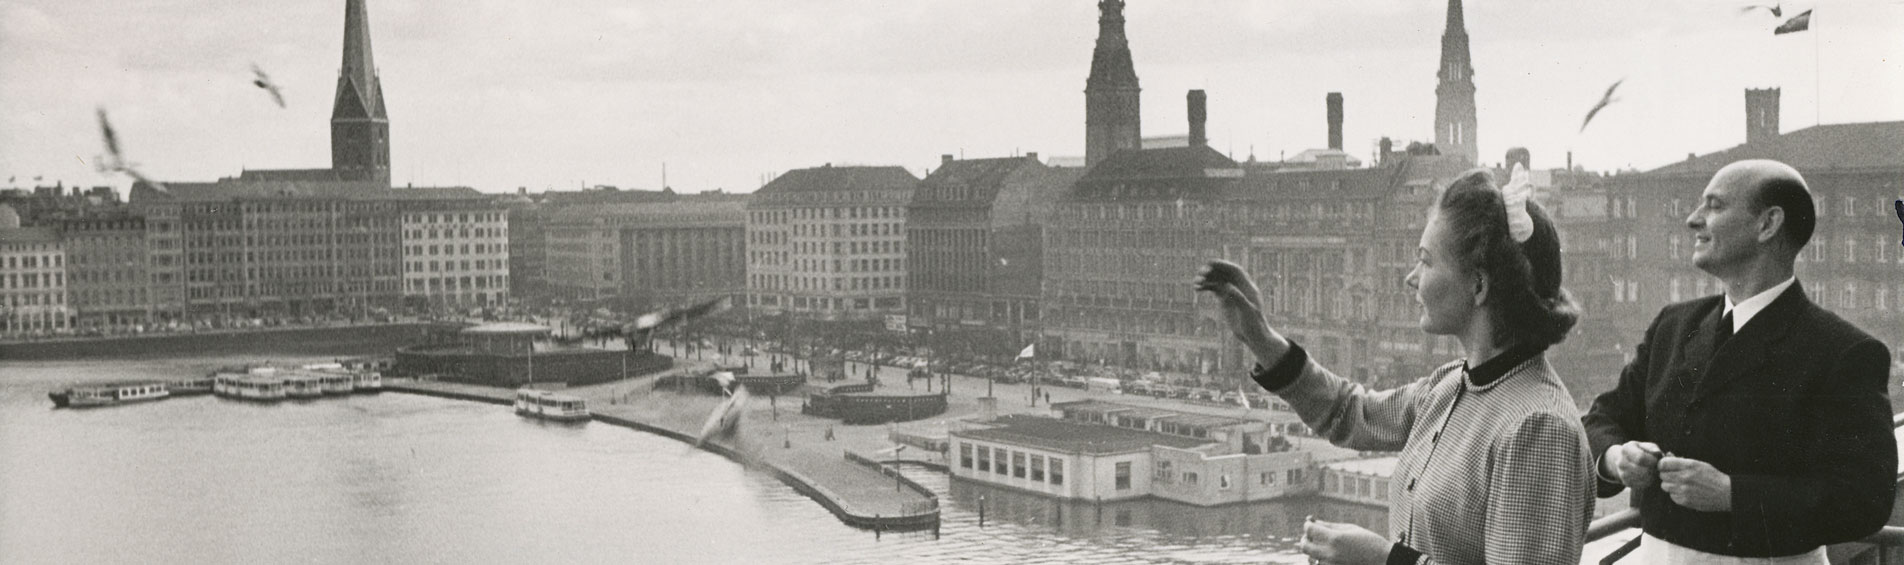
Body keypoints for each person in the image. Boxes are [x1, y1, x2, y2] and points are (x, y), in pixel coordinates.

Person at [1199, 167, 1592, 564]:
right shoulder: (1451, 384)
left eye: (1426, 261)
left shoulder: (1539, 427)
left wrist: (1383, 560)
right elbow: (1349, 413)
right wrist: (1259, 337)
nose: (1410, 278)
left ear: (1478, 285)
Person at [1582, 160, 1895, 563]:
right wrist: (1617, 458)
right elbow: (1603, 418)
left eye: (1714, 206)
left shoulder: (1843, 352)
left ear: (1768, 225)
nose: (1693, 220)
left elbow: (1866, 498)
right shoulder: (1674, 326)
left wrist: (1733, 495)